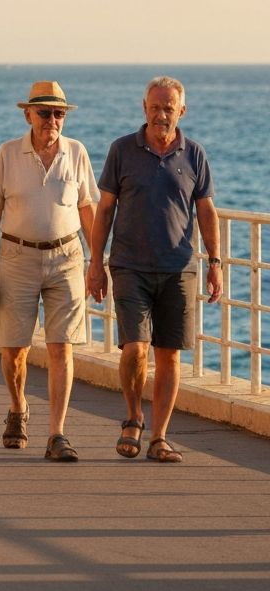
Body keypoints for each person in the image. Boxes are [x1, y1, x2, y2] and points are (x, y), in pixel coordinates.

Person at [88, 76, 222, 464]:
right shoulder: (122, 150)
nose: (161, 113)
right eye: (155, 106)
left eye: (169, 107)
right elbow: (105, 209)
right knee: (134, 348)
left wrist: (214, 263)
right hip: (129, 265)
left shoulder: (194, 154)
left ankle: (160, 437)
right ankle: (132, 417)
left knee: (169, 355)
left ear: (182, 110)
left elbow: (206, 211)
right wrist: (95, 263)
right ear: (143, 108)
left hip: (179, 269)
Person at [0, 81, 98, 461]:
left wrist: (100, 263)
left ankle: (57, 434)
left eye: (58, 113)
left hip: (67, 258)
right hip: (17, 257)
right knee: (15, 350)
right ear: (27, 114)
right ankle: (18, 407)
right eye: (44, 113)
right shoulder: (8, 154)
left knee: (62, 346)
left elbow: (87, 209)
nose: (52, 120)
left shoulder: (76, 153)